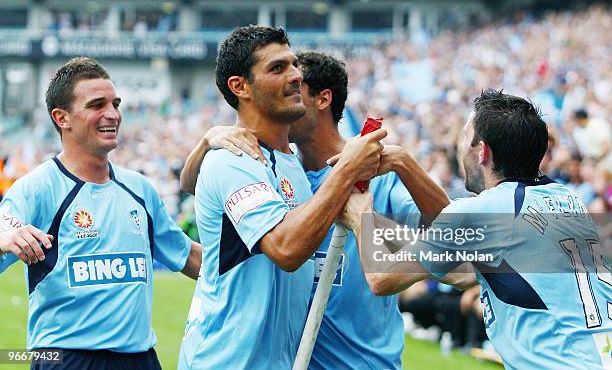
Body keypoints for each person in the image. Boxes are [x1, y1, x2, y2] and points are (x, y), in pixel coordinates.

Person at [180, 50, 474, 368]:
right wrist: (206, 142)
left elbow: (459, 244)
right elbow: (197, 187)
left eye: (297, 88)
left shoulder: (378, 176)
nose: (288, 93)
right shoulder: (277, 174)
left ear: (323, 100)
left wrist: (402, 161)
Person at [340, 89, 612, 368]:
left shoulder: (489, 209)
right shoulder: (567, 199)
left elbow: (383, 278)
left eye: (463, 137)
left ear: (482, 151)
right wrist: (402, 163)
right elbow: (461, 255)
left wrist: (361, 214)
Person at [177, 27, 386, 369]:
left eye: (293, 65)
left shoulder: (291, 163)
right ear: (239, 86)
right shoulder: (232, 158)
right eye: (278, 68)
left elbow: (191, 182)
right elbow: (286, 250)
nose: (295, 76)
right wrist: (347, 169)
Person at [0, 57, 202, 369]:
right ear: (62, 118)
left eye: (115, 103)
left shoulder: (139, 188)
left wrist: (263, 257)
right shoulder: (36, 188)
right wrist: (8, 238)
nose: (113, 114)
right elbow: (4, 228)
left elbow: (189, 256)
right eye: (97, 105)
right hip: (64, 358)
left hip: (139, 359)